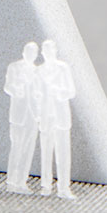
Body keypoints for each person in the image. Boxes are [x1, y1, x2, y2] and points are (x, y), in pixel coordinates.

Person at [36, 38, 76, 199]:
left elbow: (70, 91)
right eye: (45, 50)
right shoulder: (39, 71)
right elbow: (36, 93)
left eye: (50, 49)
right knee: (46, 153)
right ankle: (46, 186)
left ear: (55, 51)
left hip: (60, 116)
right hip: (46, 116)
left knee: (63, 153)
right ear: (43, 53)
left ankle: (64, 187)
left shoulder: (63, 68)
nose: (48, 53)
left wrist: (57, 92)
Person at [2, 40, 42, 193]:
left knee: (28, 148)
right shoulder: (14, 67)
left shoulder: (37, 71)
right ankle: (11, 180)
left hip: (33, 115)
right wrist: (17, 89)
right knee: (16, 146)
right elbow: (8, 87)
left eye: (34, 52)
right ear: (24, 52)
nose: (31, 55)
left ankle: (22, 181)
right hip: (18, 114)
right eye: (29, 51)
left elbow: (40, 92)